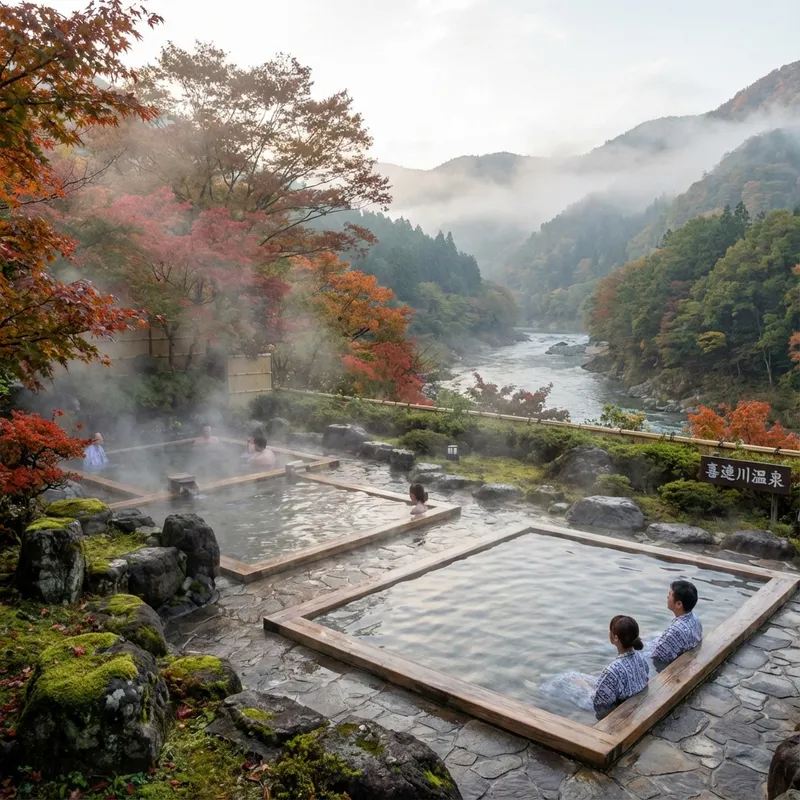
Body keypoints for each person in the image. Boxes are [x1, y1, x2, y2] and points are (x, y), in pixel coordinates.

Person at [592, 615, 649, 718]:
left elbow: (599, 704)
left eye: (610, 631)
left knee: (563, 679)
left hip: (620, 712)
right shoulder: (641, 658)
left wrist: (587, 688)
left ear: (616, 637)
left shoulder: (611, 671)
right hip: (632, 701)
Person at [652, 580, 703, 666]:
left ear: (679, 604)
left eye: (669, 595)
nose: (667, 597)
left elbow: (656, 657)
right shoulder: (695, 619)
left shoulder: (675, 631)